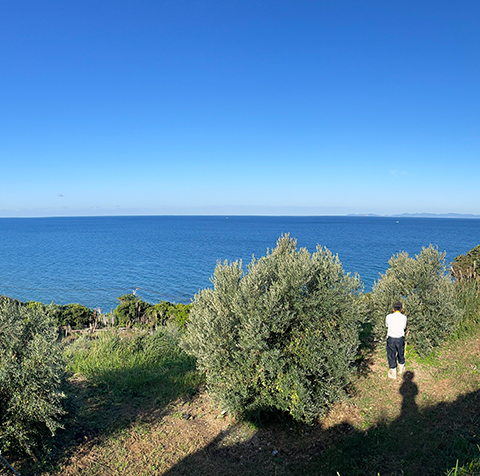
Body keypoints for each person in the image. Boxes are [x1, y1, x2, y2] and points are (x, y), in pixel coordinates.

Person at [385, 302, 407, 379]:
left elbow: (387, 325)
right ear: (401, 309)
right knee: (401, 353)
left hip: (391, 338)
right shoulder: (404, 317)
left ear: (393, 309)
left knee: (391, 355)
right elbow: (404, 327)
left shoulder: (388, 316)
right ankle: (401, 370)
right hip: (400, 338)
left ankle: (394, 375)